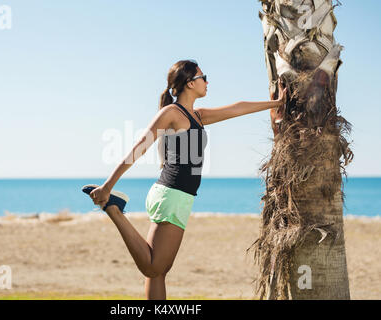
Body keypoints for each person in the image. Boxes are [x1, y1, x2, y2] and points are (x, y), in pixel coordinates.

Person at [83, 59, 286, 300]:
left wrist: (276, 103)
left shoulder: (197, 116)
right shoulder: (171, 113)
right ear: (190, 83)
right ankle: (114, 209)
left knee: (159, 272)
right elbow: (140, 148)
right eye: (203, 77)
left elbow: (236, 108)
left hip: (178, 197)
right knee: (153, 267)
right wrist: (108, 186)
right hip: (171, 195)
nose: (207, 82)